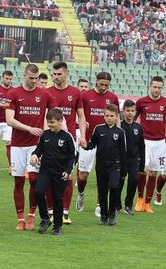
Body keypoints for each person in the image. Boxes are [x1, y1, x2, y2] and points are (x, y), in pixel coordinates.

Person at [5, 63, 57, 231]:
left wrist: (47, 128)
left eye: (36, 79)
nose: (34, 81)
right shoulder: (14, 93)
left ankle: (31, 216)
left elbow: (55, 115)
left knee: (34, 179)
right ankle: (20, 218)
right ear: (24, 76)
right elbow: (9, 120)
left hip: (36, 146)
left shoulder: (44, 95)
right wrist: (29, 129)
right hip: (18, 145)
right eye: (31, 78)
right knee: (19, 181)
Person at [46, 62, 86, 224]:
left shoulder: (75, 93)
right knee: (50, 177)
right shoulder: (47, 92)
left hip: (69, 141)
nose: (56, 77)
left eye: (59, 74)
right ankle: (50, 211)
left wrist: (82, 136)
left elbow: (81, 116)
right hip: (51, 141)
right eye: (54, 74)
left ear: (66, 74)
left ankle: (64, 212)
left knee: (68, 176)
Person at [76, 72, 119, 215]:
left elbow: (117, 118)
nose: (103, 87)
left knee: (104, 177)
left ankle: (100, 205)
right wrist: (82, 127)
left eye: (106, 85)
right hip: (88, 141)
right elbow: (79, 114)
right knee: (82, 176)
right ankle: (81, 193)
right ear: (96, 82)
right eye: (101, 84)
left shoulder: (112, 98)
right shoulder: (85, 95)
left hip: (106, 144)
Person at [135, 76, 166, 214]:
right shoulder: (141, 102)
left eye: (159, 87)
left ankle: (147, 203)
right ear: (150, 86)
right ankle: (140, 198)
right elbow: (133, 119)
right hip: (144, 141)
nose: (157, 90)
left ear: (162, 88)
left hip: (160, 143)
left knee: (154, 172)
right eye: (155, 87)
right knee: (144, 170)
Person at [31, 109, 76, 236]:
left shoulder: (67, 137)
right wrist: (34, 155)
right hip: (45, 171)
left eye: (52, 122)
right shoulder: (45, 135)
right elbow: (39, 149)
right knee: (39, 192)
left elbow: (72, 156)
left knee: (57, 199)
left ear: (61, 121)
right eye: (48, 122)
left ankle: (58, 226)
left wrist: (68, 171)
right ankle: (45, 218)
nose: (49, 125)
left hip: (60, 173)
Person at [84, 104, 127, 226]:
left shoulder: (120, 132)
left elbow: (123, 152)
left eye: (112, 116)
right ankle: (104, 215)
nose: (109, 118)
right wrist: (85, 145)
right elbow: (92, 145)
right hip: (101, 165)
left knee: (114, 187)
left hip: (115, 165)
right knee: (102, 191)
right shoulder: (98, 129)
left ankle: (112, 213)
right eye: (107, 115)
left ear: (116, 117)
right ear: (103, 116)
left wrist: (124, 171)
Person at [119, 100, 145, 216]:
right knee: (119, 182)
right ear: (123, 111)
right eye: (127, 110)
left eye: (132, 111)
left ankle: (128, 205)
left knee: (134, 180)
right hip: (121, 160)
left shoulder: (138, 127)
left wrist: (142, 165)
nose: (130, 113)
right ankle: (117, 205)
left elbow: (141, 146)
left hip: (134, 160)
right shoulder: (119, 126)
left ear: (135, 112)